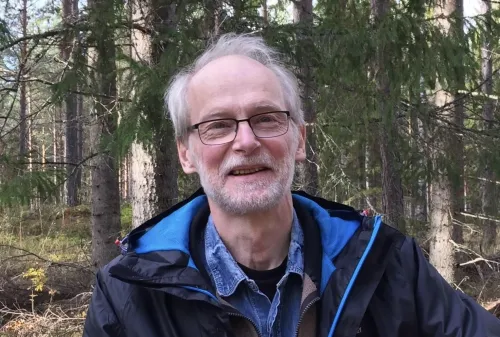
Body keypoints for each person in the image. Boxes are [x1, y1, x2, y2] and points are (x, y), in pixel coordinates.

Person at [83, 33, 500, 337]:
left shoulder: (386, 263)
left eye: (266, 118)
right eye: (217, 125)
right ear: (186, 154)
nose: (246, 141)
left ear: (298, 140)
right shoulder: (128, 291)